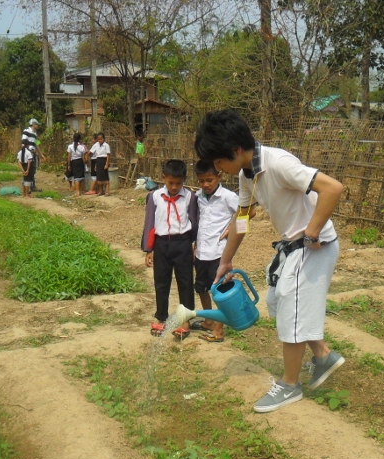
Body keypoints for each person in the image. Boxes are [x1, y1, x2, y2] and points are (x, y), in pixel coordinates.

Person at [194, 109, 345, 414]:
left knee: (290, 307)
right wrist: (226, 260)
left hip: (314, 246)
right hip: (293, 246)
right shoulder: (245, 173)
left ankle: (289, 385)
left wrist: (312, 230)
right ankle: (323, 355)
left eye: (219, 161)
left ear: (236, 150)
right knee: (277, 301)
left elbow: (332, 188)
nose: (217, 168)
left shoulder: (279, 163)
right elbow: (243, 217)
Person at [140, 159, 198, 340]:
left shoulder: (189, 197)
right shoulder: (155, 197)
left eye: (179, 183)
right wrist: (149, 249)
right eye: (171, 183)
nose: (174, 187)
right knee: (161, 282)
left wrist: (196, 244)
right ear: (163, 178)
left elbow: (195, 222)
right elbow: (150, 223)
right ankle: (161, 317)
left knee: (186, 283)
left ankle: (185, 321)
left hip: (183, 244)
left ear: (184, 180)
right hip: (161, 244)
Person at [190, 160, 239, 343]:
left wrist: (231, 228)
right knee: (201, 288)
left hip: (219, 254)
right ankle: (209, 321)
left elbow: (249, 212)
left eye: (209, 180)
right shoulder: (198, 196)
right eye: (201, 181)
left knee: (218, 291)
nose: (206, 185)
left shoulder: (228, 196)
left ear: (219, 176)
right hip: (201, 251)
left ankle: (219, 329)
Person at [21, 118, 43, 192]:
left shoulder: (35, 133)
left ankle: (32, 186)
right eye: (37, 124)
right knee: (27, 169)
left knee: (33, 170)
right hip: (28, 153)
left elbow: (37, 144)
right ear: (33, 124)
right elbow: (23, 142)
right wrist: (28, 151)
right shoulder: (26, 131)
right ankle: (26, 187)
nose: (38, 126)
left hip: (33, 153)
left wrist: (41, 154)